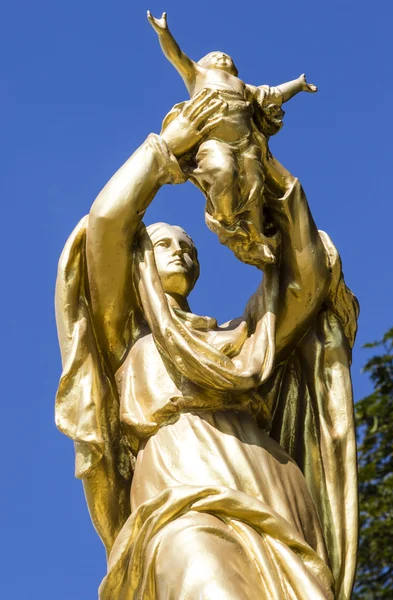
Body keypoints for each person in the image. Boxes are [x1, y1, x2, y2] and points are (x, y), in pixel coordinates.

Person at [55, 89, 359, 599]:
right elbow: (108, 223)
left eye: (188, 246)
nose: (180, 252)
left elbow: (307, 281)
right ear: (140, 263)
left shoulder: (242, 340)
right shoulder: (126, 338)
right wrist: (165, 151)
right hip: (178, 492)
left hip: (271, 484)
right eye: (163, 244)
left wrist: (260, 159)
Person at [147, 11, 317, 267]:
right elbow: (176, 56)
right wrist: (164, 33)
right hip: (214, 141)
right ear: (204, 64)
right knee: (223, 171)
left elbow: (272, 95)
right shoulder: (198, 75)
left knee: (254, 185)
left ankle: (256, 237)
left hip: (248, 145)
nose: (222, 56)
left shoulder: (243, 87)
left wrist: (297, 84)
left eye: (226, 56)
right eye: (215, 56)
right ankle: (226, 220)